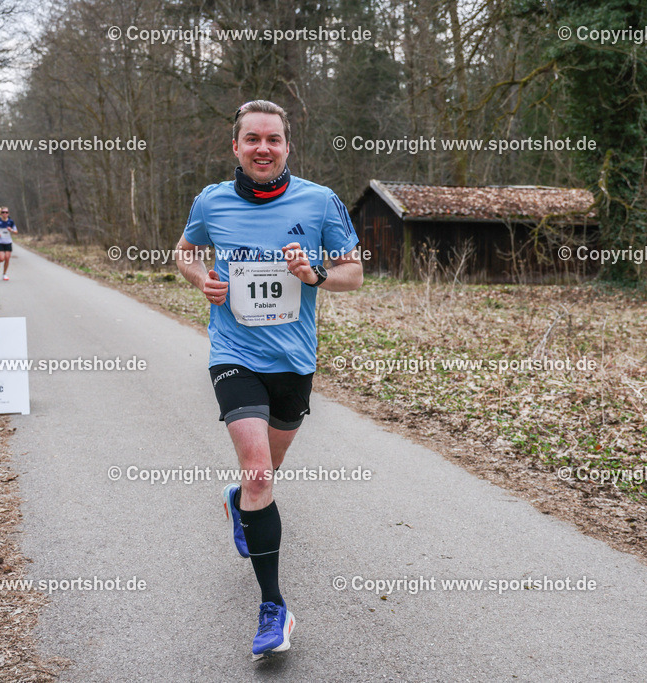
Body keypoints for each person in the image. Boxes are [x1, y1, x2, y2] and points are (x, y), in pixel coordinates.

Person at [175, 100, 362, 661]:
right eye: (252, 139)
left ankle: (240, 502)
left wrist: (316, 273)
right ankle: (273, 607)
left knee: (263, 477)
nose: (262, 148)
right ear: (236, 146)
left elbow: (353, 273)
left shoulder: (319, 200)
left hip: (294, 364)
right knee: (260, 471)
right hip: (233, 354)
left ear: (287, 147)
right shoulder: (212, 200)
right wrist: (202, 278)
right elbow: (184, 253)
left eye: (273, 140)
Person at [0, 207, 17, 281]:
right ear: (1, 213)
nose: (5, 214)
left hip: (8, 242)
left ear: (8, 213)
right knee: (2, 258)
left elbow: (16, 232)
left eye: (6, 212)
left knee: (7, 258)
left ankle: (4, 274)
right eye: (3, 212)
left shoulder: (11, 222)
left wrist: (11, 230)